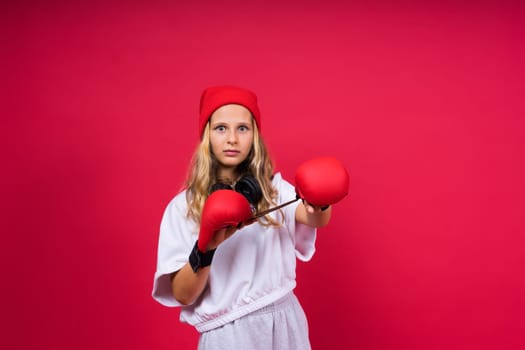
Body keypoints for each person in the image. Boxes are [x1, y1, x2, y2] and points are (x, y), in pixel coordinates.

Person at [152, 85, 348, 349]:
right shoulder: (182, 208)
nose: (232, 138)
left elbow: (313, 218)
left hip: (285, 322)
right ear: (206, 135)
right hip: (227, 336)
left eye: (242, 128)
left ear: (255, 135)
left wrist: (320, 199)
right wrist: (206, 247)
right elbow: (183, 295)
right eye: (221, 127)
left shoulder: (274, 190)